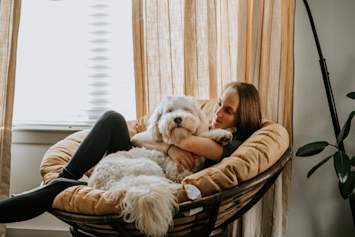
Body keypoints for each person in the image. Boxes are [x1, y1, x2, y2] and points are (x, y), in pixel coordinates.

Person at [0, 82, 262, 223]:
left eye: (227, 110)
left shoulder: (228, 143)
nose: (217, 113)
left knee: (59, 190)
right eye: (219, 104)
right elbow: (138, 138)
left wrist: (174, 143)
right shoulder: (202, 126)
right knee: (113, 119)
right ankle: (66, 176)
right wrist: (168, 147)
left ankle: (51, 186)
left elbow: (186, 141)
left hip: (151, 178)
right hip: (142, 162)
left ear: (243, 116)